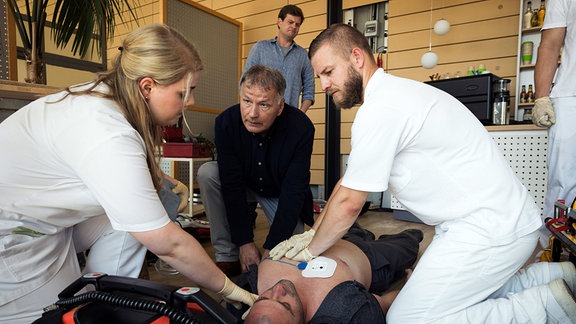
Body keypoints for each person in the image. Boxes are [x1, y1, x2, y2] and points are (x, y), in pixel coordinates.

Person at [270, 23, 576, 323]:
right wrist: (313, 232)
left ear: (356, 57)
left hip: (489, 229)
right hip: (480, 222)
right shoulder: (392, 95)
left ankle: (544, 307)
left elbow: (350, 203)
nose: (324, 85)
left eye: (328, 72)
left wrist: (311, 250)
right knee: (442, 298)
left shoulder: (381, 109)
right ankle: (552, 278)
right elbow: (347, 184)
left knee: (407, 318)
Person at [0, 24, 256, 323]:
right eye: (184, 92)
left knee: (142, 217)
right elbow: (169, 244)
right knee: (60, 314)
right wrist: (232, 291)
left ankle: (108, 297)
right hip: (14, 241)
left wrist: (163, 184)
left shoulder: (101, 97)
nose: (190, 103)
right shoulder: (107, 131)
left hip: (44, 222)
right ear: (147, 86)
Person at [197, 65, 315, 276]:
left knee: (288, 253)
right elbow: (231, 185)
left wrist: (271, 249)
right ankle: (227, 255)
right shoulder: (226, 123)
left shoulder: (301, 128)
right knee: (208, 173)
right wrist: (244, 243)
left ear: (280, 107)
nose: (252, 113)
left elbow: (294, 191)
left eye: (264, 105)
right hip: (244, 184)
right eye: (247, 101)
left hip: (279, 191)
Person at [243, 225, 423, 323]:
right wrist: (413, 288)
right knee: (409, 243)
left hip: (332, 234)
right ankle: (406, 237)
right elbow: (386, 302)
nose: (278, 289)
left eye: (263, 299)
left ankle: (360, 232)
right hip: (372, 258)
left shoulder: (251, 285)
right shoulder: (342, 310)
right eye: (285, 304)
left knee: (352, 226)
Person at [531, 0, 576, 249]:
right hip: (571, 94)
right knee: (564, 184)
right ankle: (552, 252)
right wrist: (541, 97)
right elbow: (549, 45)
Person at [242, 4, 315, 113]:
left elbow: (309, 88)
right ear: (279, 22)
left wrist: (301, 114)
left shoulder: (303, 55)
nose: (294, 27)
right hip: (261, 115)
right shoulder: (260, 48)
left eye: (297, 24)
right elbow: (245, 81)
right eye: (290, 22)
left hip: (289, 117)